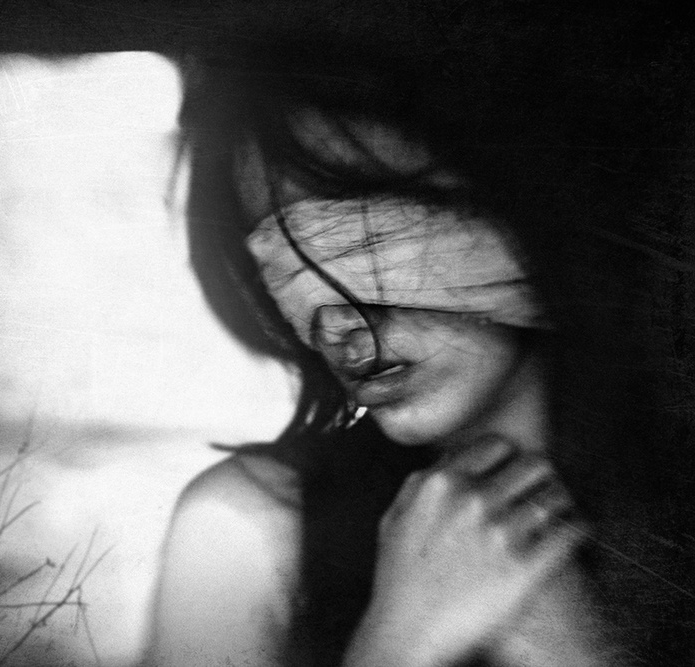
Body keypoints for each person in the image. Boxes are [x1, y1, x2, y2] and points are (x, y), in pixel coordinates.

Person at [147, 10, 693, 667]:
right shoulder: (244, 528)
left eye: (367, 238)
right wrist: (400, 641)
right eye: (281, 266)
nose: (337, 323)